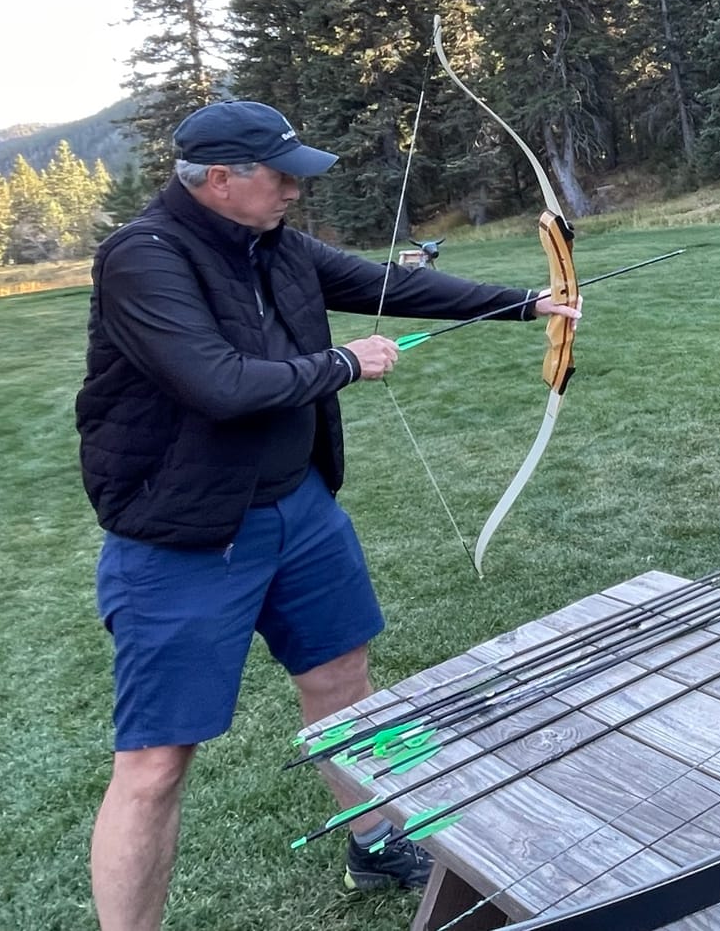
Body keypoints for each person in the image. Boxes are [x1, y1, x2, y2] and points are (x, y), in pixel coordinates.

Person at [74, 100, 580, 930]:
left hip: (297, 507)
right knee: (156, 763)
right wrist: (345, 362)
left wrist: (528, 303)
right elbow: (216, 383)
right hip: (185, 535)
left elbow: (388, 283)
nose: (294, 191)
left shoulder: (275, 242)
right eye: (281, 176)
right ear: (221, 179)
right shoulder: (143, 257)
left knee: (343, 682)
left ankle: (376, 842)